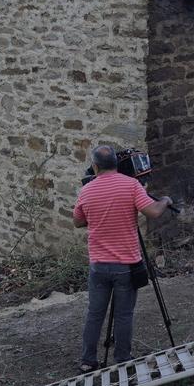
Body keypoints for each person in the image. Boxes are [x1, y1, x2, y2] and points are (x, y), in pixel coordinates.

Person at [74, 145, 173, 373]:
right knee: (124, 314)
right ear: (117, 165)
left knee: (95, 314)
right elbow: (154, 212)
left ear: (95, 166)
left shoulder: (87, 191)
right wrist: (165, 200)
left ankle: (88, 361)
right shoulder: (131, 185)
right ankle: (123, 358)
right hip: (126, 265)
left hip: (99, 265)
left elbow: (78, 222)